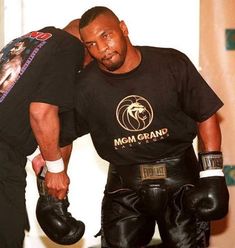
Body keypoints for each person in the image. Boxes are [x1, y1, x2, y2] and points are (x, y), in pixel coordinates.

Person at [61, 6, 229, 248]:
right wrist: (52, 183)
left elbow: (205, 114)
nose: (101, 50)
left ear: (123, 28)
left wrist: (212, 175)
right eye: (91, 44)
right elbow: (61, 135)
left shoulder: (170, 63)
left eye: (105, 36)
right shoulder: (85, 86)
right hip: (124, 185)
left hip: (180, 178)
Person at [0, 19, 87, 247]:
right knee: (8, 236)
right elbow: (41, 112)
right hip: (3, 157)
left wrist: (46, 155)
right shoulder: (70, 47)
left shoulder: (30, 40)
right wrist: (56, 170)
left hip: (7, 150)